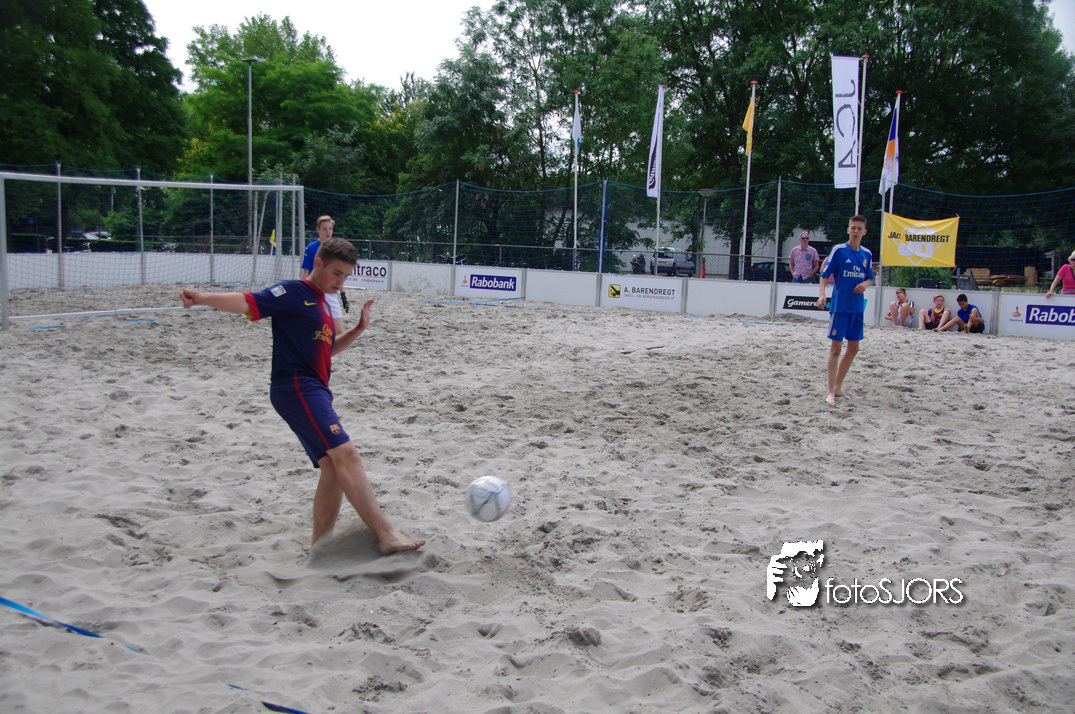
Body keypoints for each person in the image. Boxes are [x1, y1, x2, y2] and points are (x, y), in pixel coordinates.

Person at [180, 237, 424, 556]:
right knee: (347, 454)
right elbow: (248, 302)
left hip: (314, 388)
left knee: (332, 468)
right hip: (296, 387)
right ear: (318, 263)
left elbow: (325, 351)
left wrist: (357, 330)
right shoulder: (294, 292)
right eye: (336, 273)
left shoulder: (323, 302)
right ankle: (386, 534)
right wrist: (203, 298)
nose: (341, 282)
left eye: (346, 276)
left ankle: (320, 549)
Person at [816, 215, 874, 405]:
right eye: (853, 228)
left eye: (859, 228)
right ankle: (830, 392)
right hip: (840, 307)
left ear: (864, 232)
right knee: (836, 349)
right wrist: (822, 294)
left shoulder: (866, 254)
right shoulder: (839, 251)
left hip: (857, 308)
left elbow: (870, 277)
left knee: (854, 348)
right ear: (848, 230)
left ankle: (838, 388)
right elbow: (824, 275)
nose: (856, 231)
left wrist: (865, 284)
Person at [301, 216, 347, 334]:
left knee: (339, 332)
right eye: (325, 229)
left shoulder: (336, 249)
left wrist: (343, 295)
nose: (328, 232)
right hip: (315, 292)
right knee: (316, 330)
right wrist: (303, 293)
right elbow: (305, 273)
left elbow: (339, 275)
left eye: (330, 229)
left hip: (331, 293)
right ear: (318, 229)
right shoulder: (311, 248)